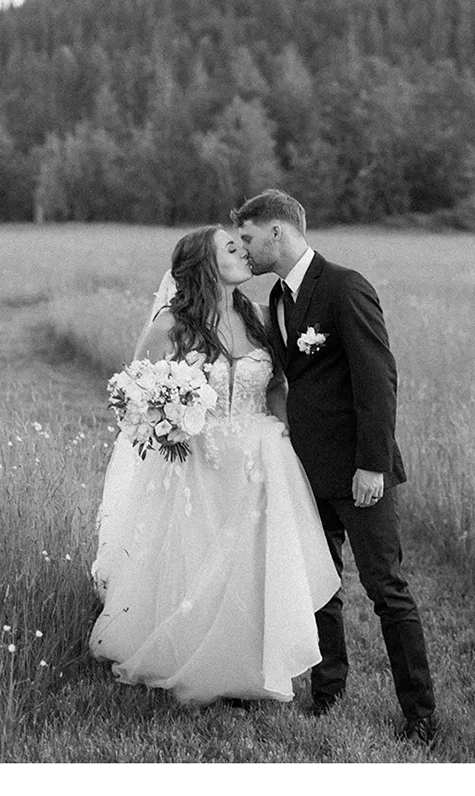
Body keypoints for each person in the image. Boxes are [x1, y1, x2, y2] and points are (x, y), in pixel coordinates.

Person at [89, 225, 340, 705]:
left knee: (251, 565)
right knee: (196, 560)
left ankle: (247, 665)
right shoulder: (171, 326)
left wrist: (291, 440)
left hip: (260, 459)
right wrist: (168, 420)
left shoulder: (260, 317)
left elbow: (274, 386)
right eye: (231, 247)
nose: (243, 251)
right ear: (206, 264)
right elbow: (134, 398)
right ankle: (187, 655)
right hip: (198, 462)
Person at [232, 189, 437, 745]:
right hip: (307, 470)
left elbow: (378, 379)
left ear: (277, 231)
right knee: (321, 587)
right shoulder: (277, 297)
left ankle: (420, 714)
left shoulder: (344, 287)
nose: (244, 249)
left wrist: (372, 465)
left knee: (386, 589)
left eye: (248, 237)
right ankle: (328, 692)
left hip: (358, 472)